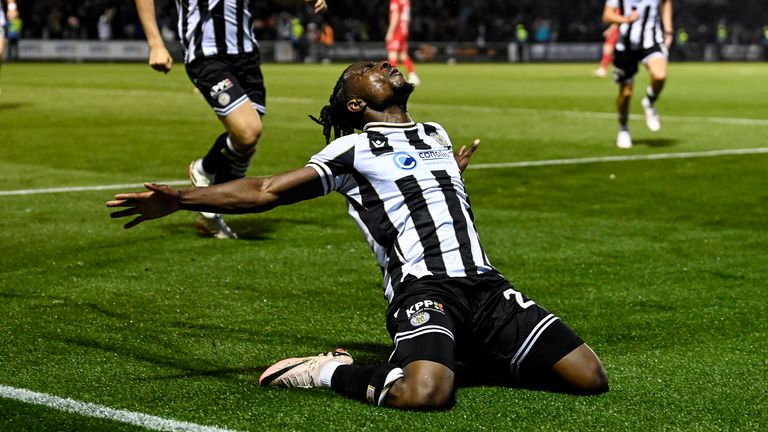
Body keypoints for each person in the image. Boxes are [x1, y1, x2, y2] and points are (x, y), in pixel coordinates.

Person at [107, 60, 609, 410]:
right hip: (425, 290)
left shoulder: (435, 133)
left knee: (589, 378)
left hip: (486, 286)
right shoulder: (351, 150)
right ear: (353, 104)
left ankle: (466, 347)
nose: (384, 65)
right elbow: (265, 190)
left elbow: (423, 191)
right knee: (426, 395)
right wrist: (180, 199)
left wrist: (449, 176)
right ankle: (327, 371)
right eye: (369, 70)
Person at [134, 0, 328, 238]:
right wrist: (155, 44)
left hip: (247, 56)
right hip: (207, 55)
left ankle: (210, 212)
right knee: (249, 131)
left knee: (245, 143)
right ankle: (204, 169)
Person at [603, 0, 673, 149]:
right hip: (625, 45)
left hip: (652, 41)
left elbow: (666, 2)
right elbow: (607, 16)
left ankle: (649, 102)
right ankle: (623, 128)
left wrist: (668, 29)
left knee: (660, 76)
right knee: (626, 94)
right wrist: (625, 19)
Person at [386, 0, 419, 86]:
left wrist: (390, 31)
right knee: (402, 55)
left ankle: (393, 78)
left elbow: (395, 16)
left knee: (392, 54)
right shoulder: (405, 1)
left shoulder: (396, 1)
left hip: (398, 30)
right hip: (404, 29)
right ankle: (413, 75)